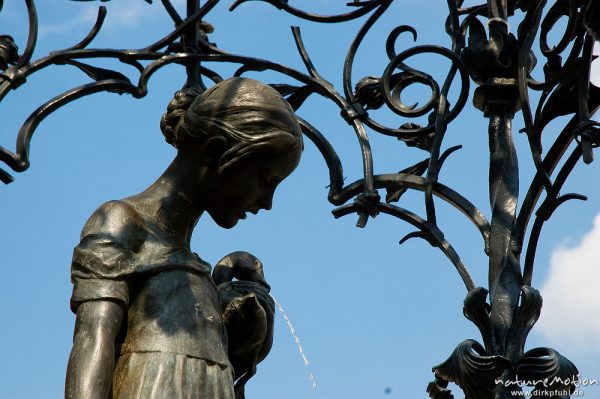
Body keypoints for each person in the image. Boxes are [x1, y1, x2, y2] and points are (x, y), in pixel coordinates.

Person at [64, 77, 303, 399]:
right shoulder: (121, 220)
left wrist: (241, 314)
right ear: (217, 151)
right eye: (265, 179)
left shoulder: (196, 270)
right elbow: (93, 338)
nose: (267, 201)